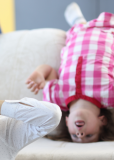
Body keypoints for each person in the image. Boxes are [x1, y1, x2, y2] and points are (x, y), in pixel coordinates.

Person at [26, 2, 114, 143]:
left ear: (67, 122)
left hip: (77, 37)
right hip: (107, 34)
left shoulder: (56, 99)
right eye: (89, 136)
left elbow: (49, 71)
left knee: (77, 29)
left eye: (74, 136)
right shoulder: (108, 96)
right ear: (102, 121)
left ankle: (78, 21)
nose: (80, 135)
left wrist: (39, 74)